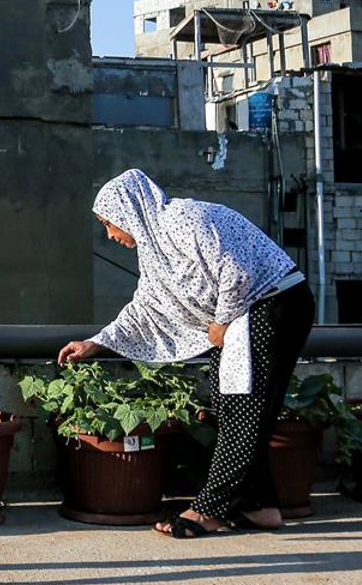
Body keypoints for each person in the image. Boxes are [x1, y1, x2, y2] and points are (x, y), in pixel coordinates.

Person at [57, 169, 314, 538]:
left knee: (242, 408)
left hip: (272, 303)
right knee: (230, 408)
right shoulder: (155, 248)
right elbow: (146, 307)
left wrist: (222, 321)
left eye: (108, 223)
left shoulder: (184, 218)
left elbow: (236, 268)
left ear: (128, 209)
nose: (110, 235)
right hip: (247, 313)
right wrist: (97, 342)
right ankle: (262, 508)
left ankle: (209, 510)